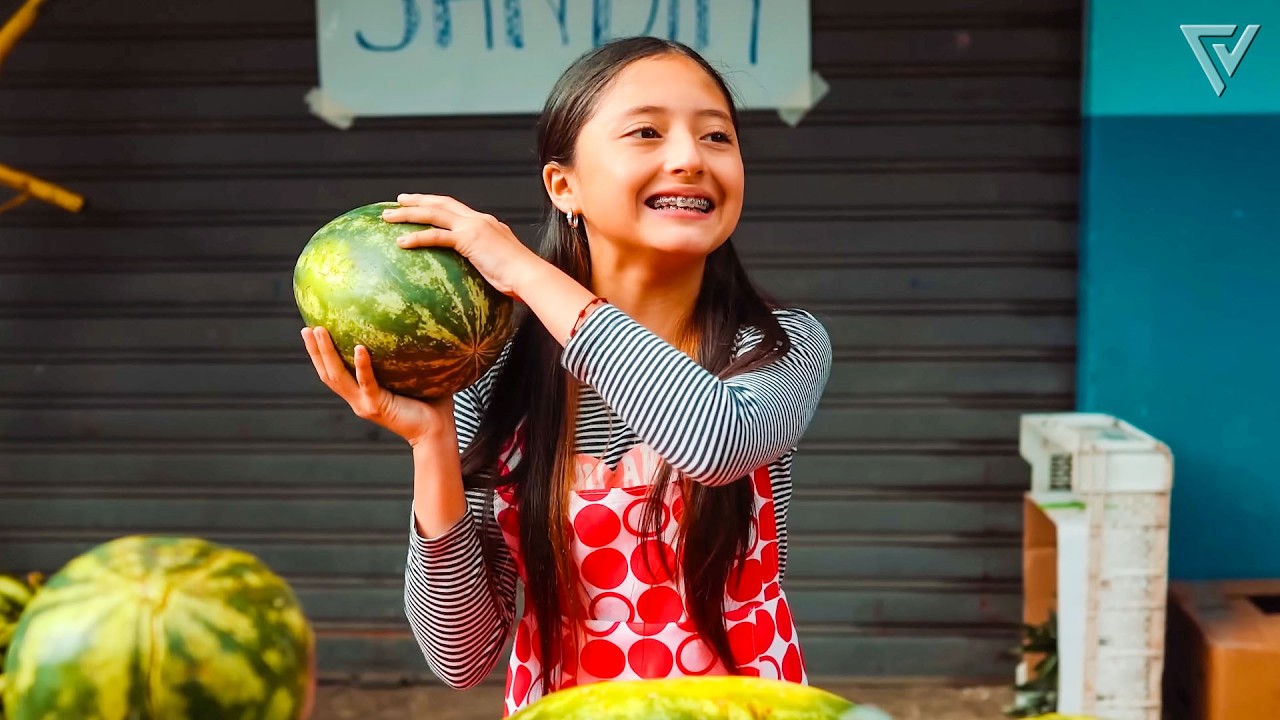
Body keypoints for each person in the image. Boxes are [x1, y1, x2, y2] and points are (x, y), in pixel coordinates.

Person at [300, 36, 833, 716]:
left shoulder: (779, 345)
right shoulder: (499, 375)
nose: (690, 158)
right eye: (647, 132)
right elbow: (462, 656)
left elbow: (714, 442)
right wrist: (431, 442)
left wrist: (523, 270)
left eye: (716, 136)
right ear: (563, 186)